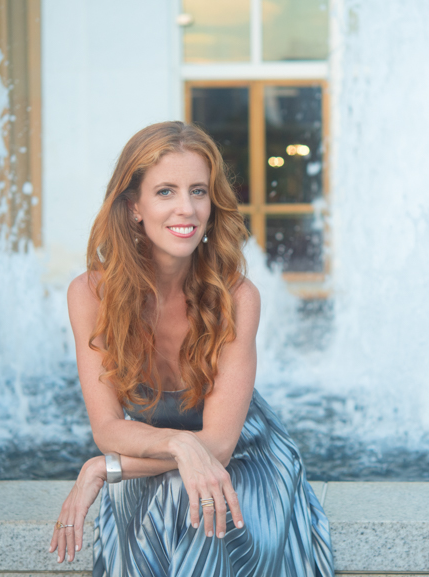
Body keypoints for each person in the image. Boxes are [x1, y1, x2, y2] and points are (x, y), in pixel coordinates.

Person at [48, 121, 333, 576]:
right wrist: (177, 444)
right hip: (160, 454)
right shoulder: (89, 294)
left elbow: (217, 447)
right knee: (174, 495)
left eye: (198, 191)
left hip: (244, 456)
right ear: (133, 206)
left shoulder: (237, 297)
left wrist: (106, 469)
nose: (187, 208)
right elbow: (106, 427)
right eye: (165, 192)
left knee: (196, 499)